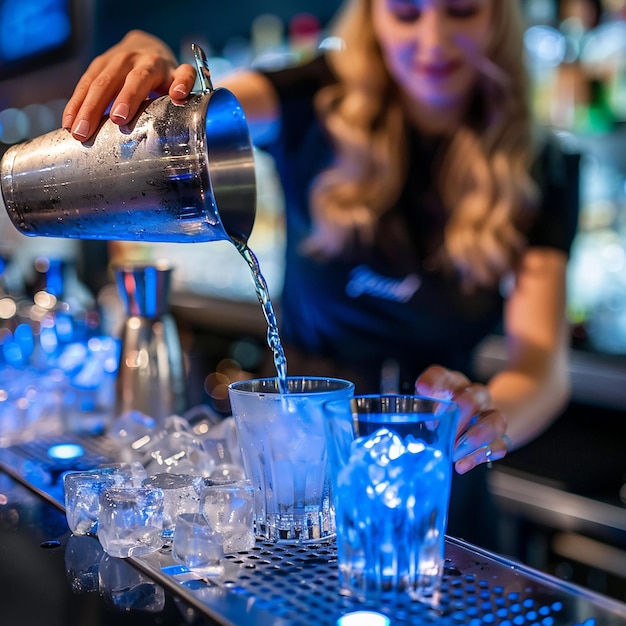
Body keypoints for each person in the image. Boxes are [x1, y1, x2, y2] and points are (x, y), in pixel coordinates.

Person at [61, 0, 579, 550]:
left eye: (461, 11)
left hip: (440, 487)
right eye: (406, 14)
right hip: (296, 479)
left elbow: (540, 363)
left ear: (498, 18)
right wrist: (166, 86)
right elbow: (217, 113)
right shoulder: (315, 95)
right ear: (373, 16)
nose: (433, 40)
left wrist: (487, 416)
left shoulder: (539, 165)